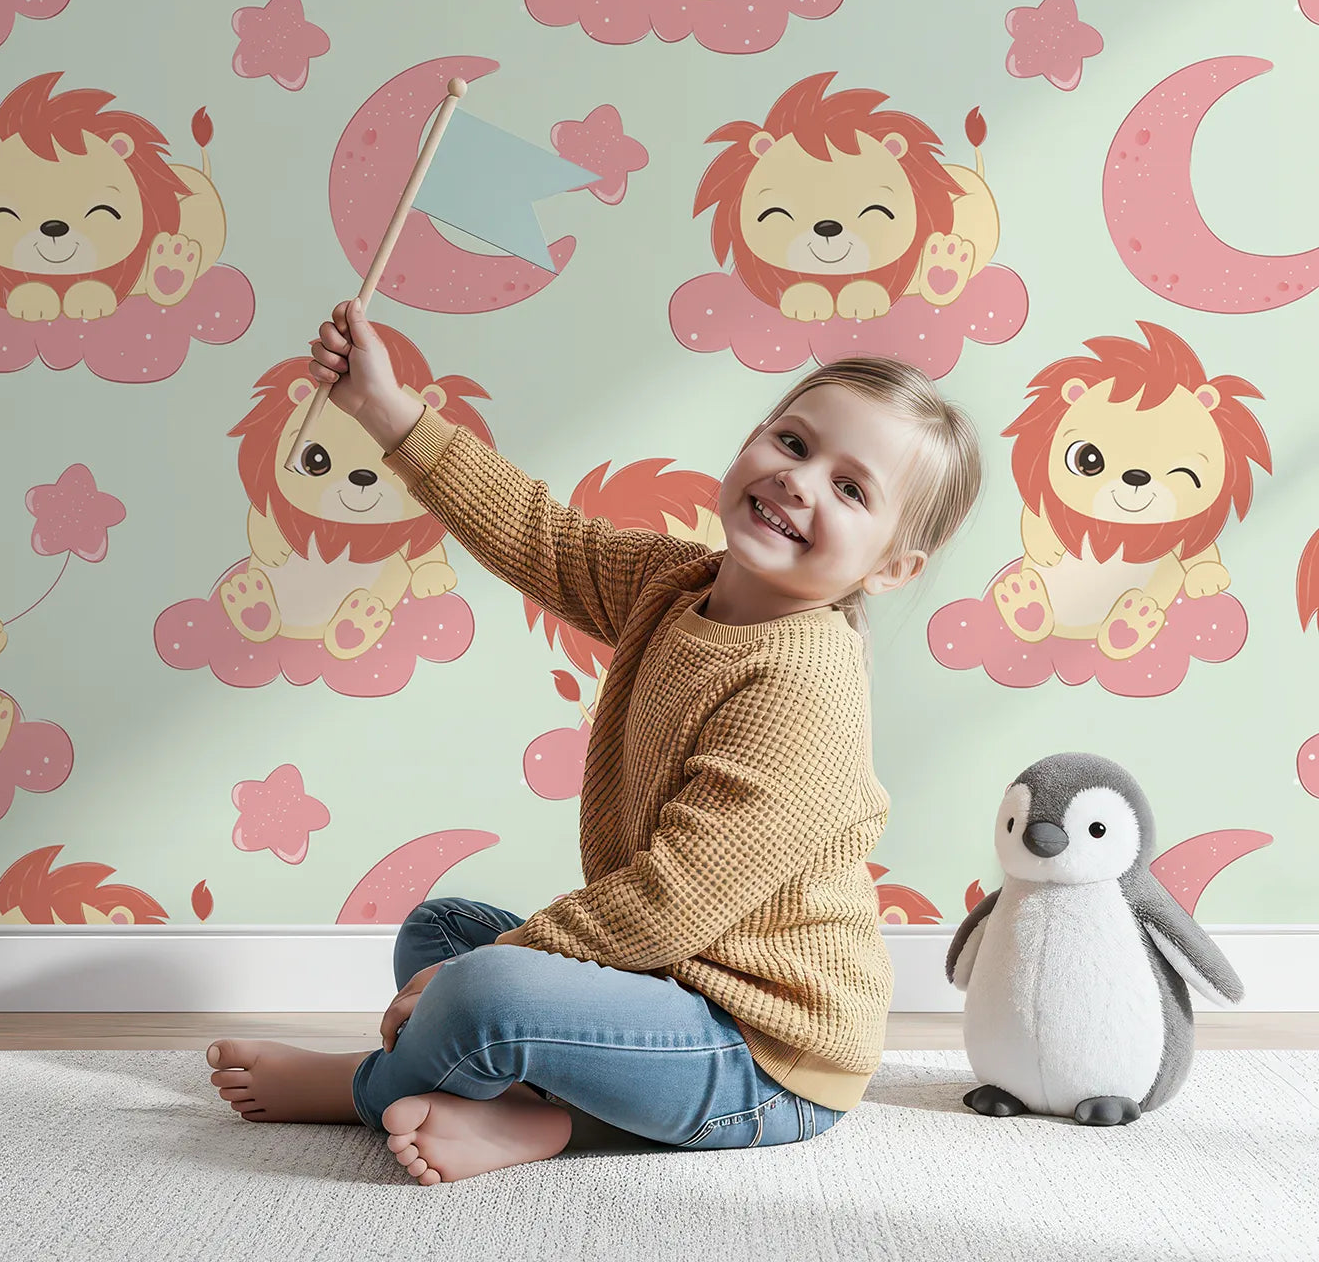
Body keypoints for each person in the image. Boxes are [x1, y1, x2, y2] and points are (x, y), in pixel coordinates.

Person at [206, 298, 983, 1185]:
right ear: (754, 439)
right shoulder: (673, 584)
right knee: (444, 931)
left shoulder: (802, 687)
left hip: (761, 1056)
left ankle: (361, 1089)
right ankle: (543, 1115)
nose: (801, 482)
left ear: (891, 568)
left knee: (480, 988)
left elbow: (669, 903)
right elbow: (535, 532)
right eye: (795, 445)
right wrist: (387, 411)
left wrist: (505, 966)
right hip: (669, 986)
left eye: (852, 489)